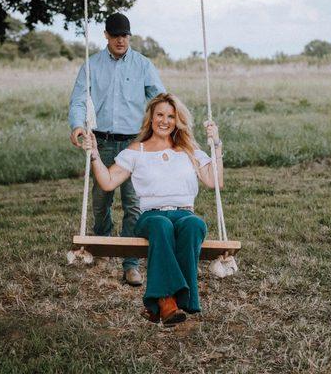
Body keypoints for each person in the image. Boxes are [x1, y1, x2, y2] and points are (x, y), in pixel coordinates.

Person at [82, 93, 224, 326]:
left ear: (177, 120)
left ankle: (168, 302)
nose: (165, 120)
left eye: (171, 116)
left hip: (184, 212)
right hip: (151, 216)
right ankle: (167, 299)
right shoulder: (137, 150)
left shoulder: (189, 150)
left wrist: (216, 145)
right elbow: (108, 181)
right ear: (151, 117)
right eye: (160, 114)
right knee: (162, 225)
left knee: (195, 224)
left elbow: (215, 182)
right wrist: (95, 154)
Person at [69, 13, 166, 286]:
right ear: (106, 35)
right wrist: (77, 126)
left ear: (129, 36)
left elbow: (160, 99)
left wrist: (163, 128)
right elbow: (78, 100)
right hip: (102, 141)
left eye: (125, 35)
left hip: (135, 142)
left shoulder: (143, 65)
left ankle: (131, 263)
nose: (120, 40)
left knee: (134, 203)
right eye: (115, 35)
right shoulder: (92, 65)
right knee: (101, 201)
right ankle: (103, 245)